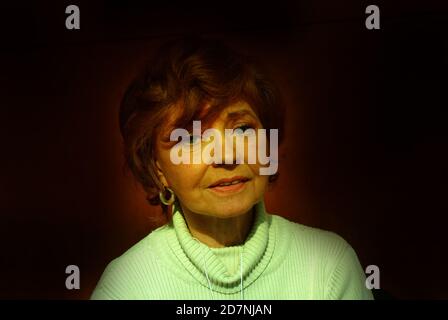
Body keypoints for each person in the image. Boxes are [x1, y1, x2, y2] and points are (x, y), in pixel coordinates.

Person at [91, 37, 373, 300]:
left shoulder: (329, 265)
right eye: (191, 138)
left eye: (242, 129)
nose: (226, 155)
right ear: (158, 169)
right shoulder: (125, 286)